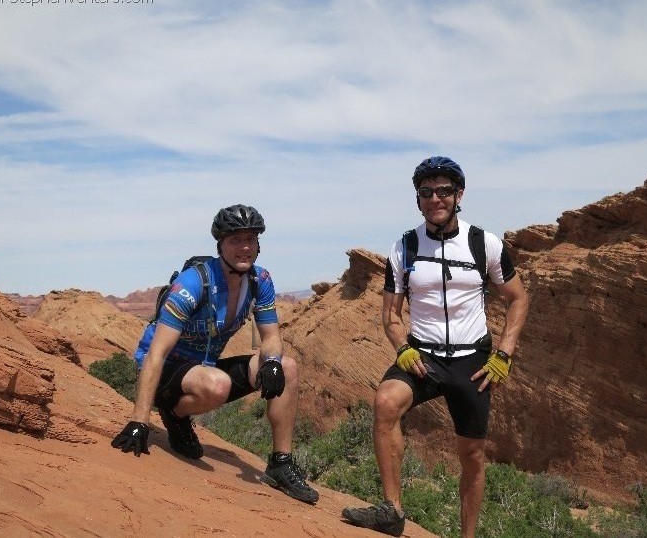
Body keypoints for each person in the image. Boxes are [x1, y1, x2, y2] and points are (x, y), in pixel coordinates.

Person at [342, 157, 529, 537]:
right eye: (426, 192)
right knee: (385, 402)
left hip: (471, 361)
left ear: (459, 195)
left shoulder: (483, 243)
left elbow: (518, 298)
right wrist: (401, 348)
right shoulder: (405, 246)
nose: (435, 199)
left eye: (444, 191)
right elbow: (391, 314)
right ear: (418, 199)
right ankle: (392, 512)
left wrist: (505, 353)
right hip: (422, 356)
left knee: (472, 454)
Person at [111, 204, 319, 505]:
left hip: (203, 367)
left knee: (287, 366)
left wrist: (271, 362)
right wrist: (139, 420)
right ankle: (175, 414)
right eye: (235, 239)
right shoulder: (194, 283)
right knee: (217, 384)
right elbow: (156, 353)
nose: (244, 247)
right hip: (166, 372)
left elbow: (272, 336)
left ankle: (280, 464)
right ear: (220, 244)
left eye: (251, 238)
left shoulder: (259, 281)